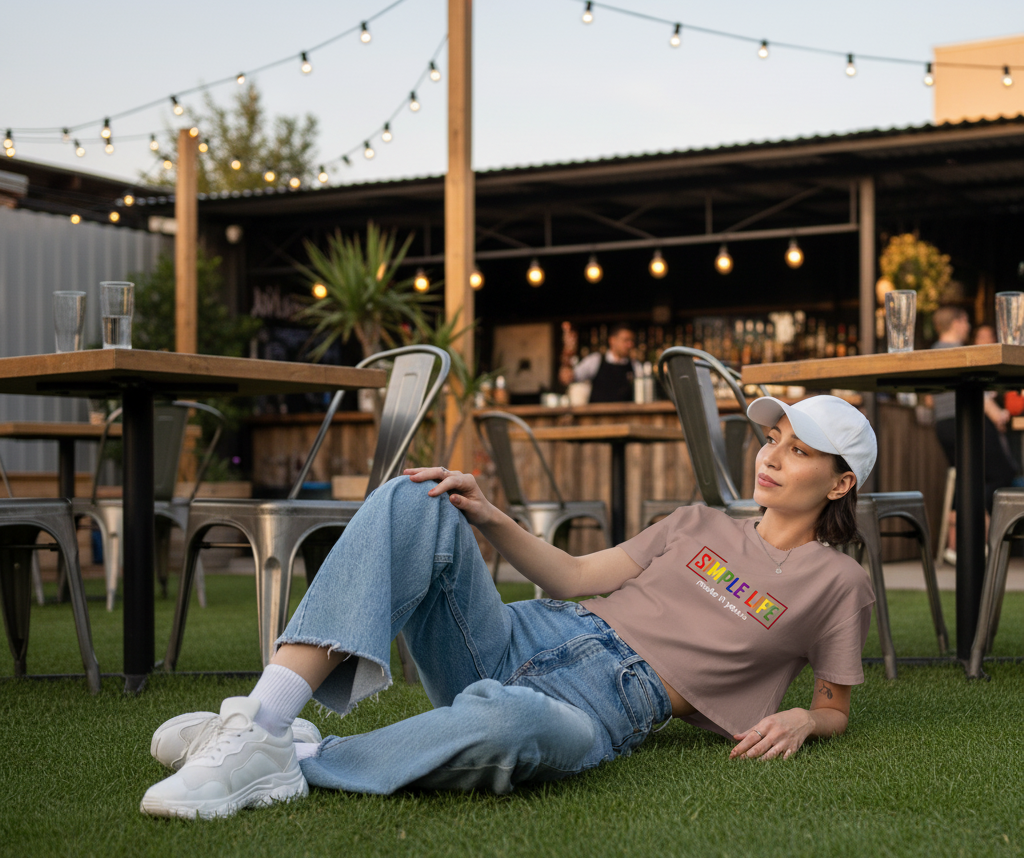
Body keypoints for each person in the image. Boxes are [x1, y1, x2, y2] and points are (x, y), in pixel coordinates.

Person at [140, 394, 877, 820]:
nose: (771, 457)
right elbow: (572, 575)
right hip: (526, 633)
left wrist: (803, 719)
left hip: (605, 706)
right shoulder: (696, 523)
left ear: (841, 483)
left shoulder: (839, 584)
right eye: (773, 439)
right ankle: (265, 718)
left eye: (799, 451)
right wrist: (487, 514)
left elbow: (835, 707)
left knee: (509, 722)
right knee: (415, 496)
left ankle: (293, 753)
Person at [930, 308, 1018, 560]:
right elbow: (978, 393)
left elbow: (929, 399)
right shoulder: (960, 351)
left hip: (943, 426)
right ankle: (979, 531)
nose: (968, 327)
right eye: (966, 321)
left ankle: (956, 546)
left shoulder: (932, 352)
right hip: (967, 421)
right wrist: (998, 415)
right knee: (1002, 473)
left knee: (966, 477)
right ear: (956, 322)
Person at [566, 324, 643, 403]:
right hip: (597, 410)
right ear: (612, 340)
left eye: (632, 341)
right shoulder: (596, 360)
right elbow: (571, 377)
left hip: (627, 411)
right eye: (626, 340)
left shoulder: (635, 365)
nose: (630, 345)